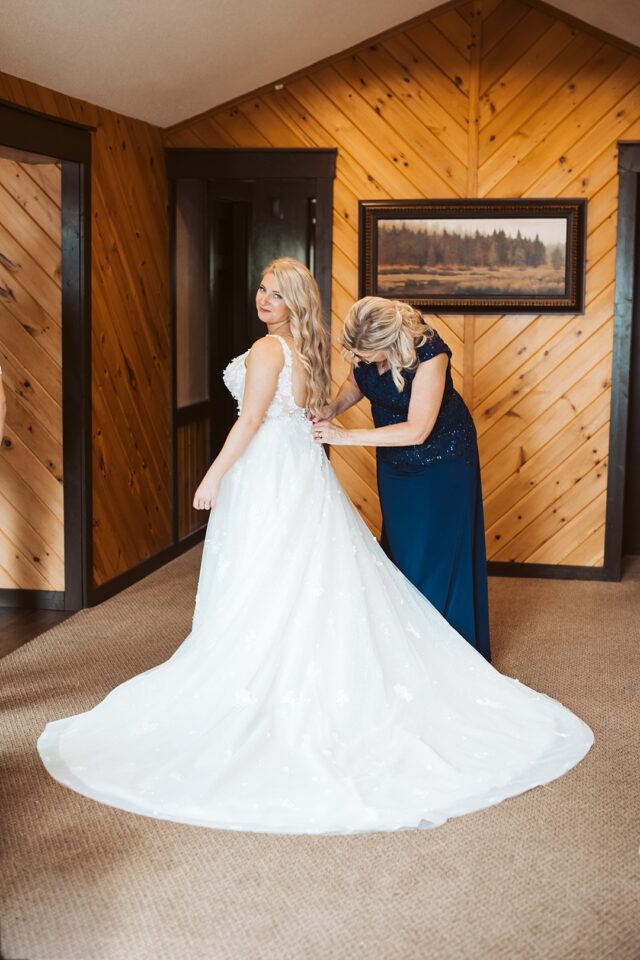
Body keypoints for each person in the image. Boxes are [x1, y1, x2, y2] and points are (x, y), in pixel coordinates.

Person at [37, 258, 593, 835]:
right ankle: (424, 650)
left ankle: (450, 648)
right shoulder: (312, 349)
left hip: (433, 455)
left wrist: (225, 472)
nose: (262, 298)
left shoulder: (401, 351)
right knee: (375, 558)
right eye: (261, 289)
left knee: (400, 555)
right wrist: (330, 413)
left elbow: (287, 421)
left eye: (275, 293)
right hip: (335, 463)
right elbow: (340, 393)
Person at [313, 298, 490, 661]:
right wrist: (333, 409)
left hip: (442, 457)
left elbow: (418, 430)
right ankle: (407, 644)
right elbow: (355, 384)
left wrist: (345, 436)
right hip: (393, 457)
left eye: (366, 355)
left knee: (435, 552)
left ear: (391, 342)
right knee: (404, 548)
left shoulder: (430, 353)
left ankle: (447, 652)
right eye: (355, 354)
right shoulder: (364, 353)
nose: (359, 361)